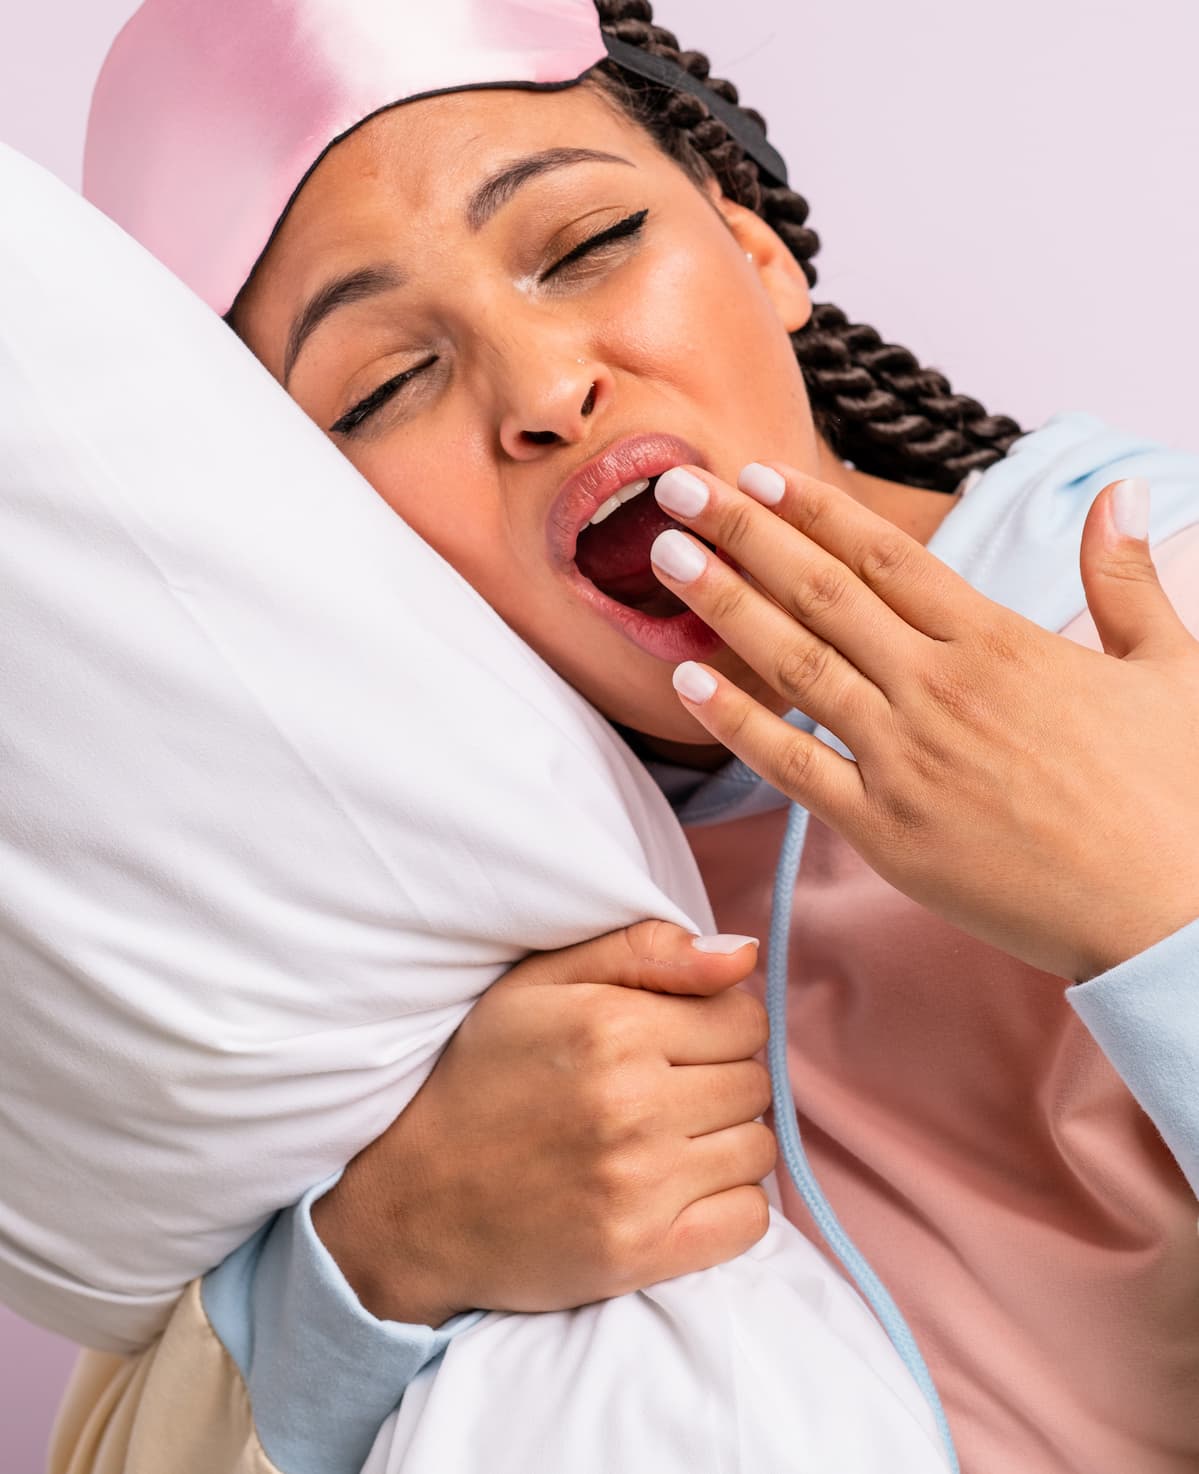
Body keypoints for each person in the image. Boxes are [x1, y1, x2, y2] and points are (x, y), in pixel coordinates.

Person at [57, 1, 1199, 1472]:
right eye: (387, 385)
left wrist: (1159, 908)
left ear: (756, 245)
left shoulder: (1154, 602)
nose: (542, 392)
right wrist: (391, 1247)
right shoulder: (342, 898)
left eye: (586, 245)